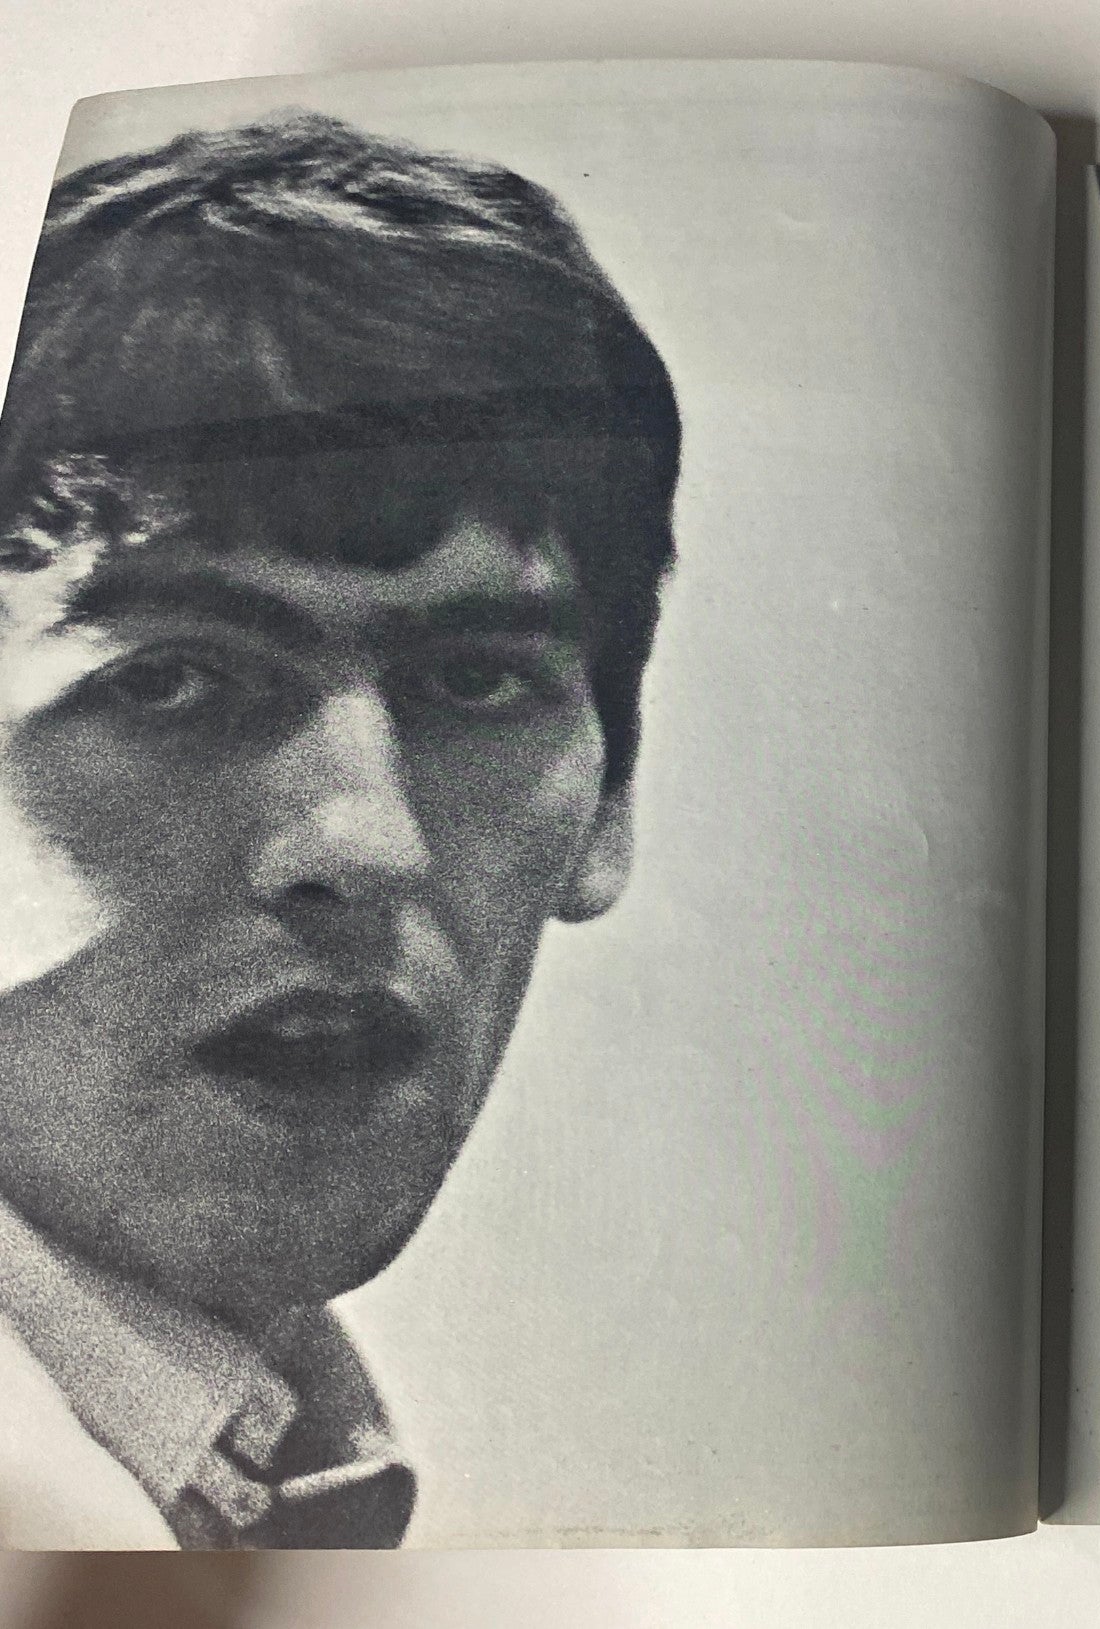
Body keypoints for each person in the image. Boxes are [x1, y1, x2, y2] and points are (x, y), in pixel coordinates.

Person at [0, 112, 679, 1547]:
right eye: (174, 682)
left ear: (608, 800)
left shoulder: (267, 1457)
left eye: (473, 684)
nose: (366, 843)